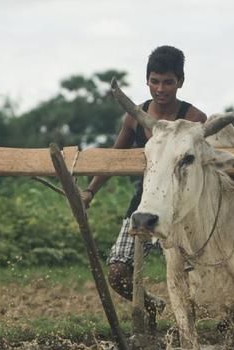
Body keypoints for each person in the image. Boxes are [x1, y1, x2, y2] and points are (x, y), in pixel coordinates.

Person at [81, 45, 207, 329]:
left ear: (180, 82)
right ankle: (154, 308)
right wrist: (89, 192)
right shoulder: (134, 118)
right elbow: (115, 159)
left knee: (194, 277)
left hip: (184, 207)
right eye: (155, 81)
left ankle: (190, 329)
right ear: (147, 80)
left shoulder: (195, 121)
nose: (160, 88)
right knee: (116, 273)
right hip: (146, 202)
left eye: (168, 82)